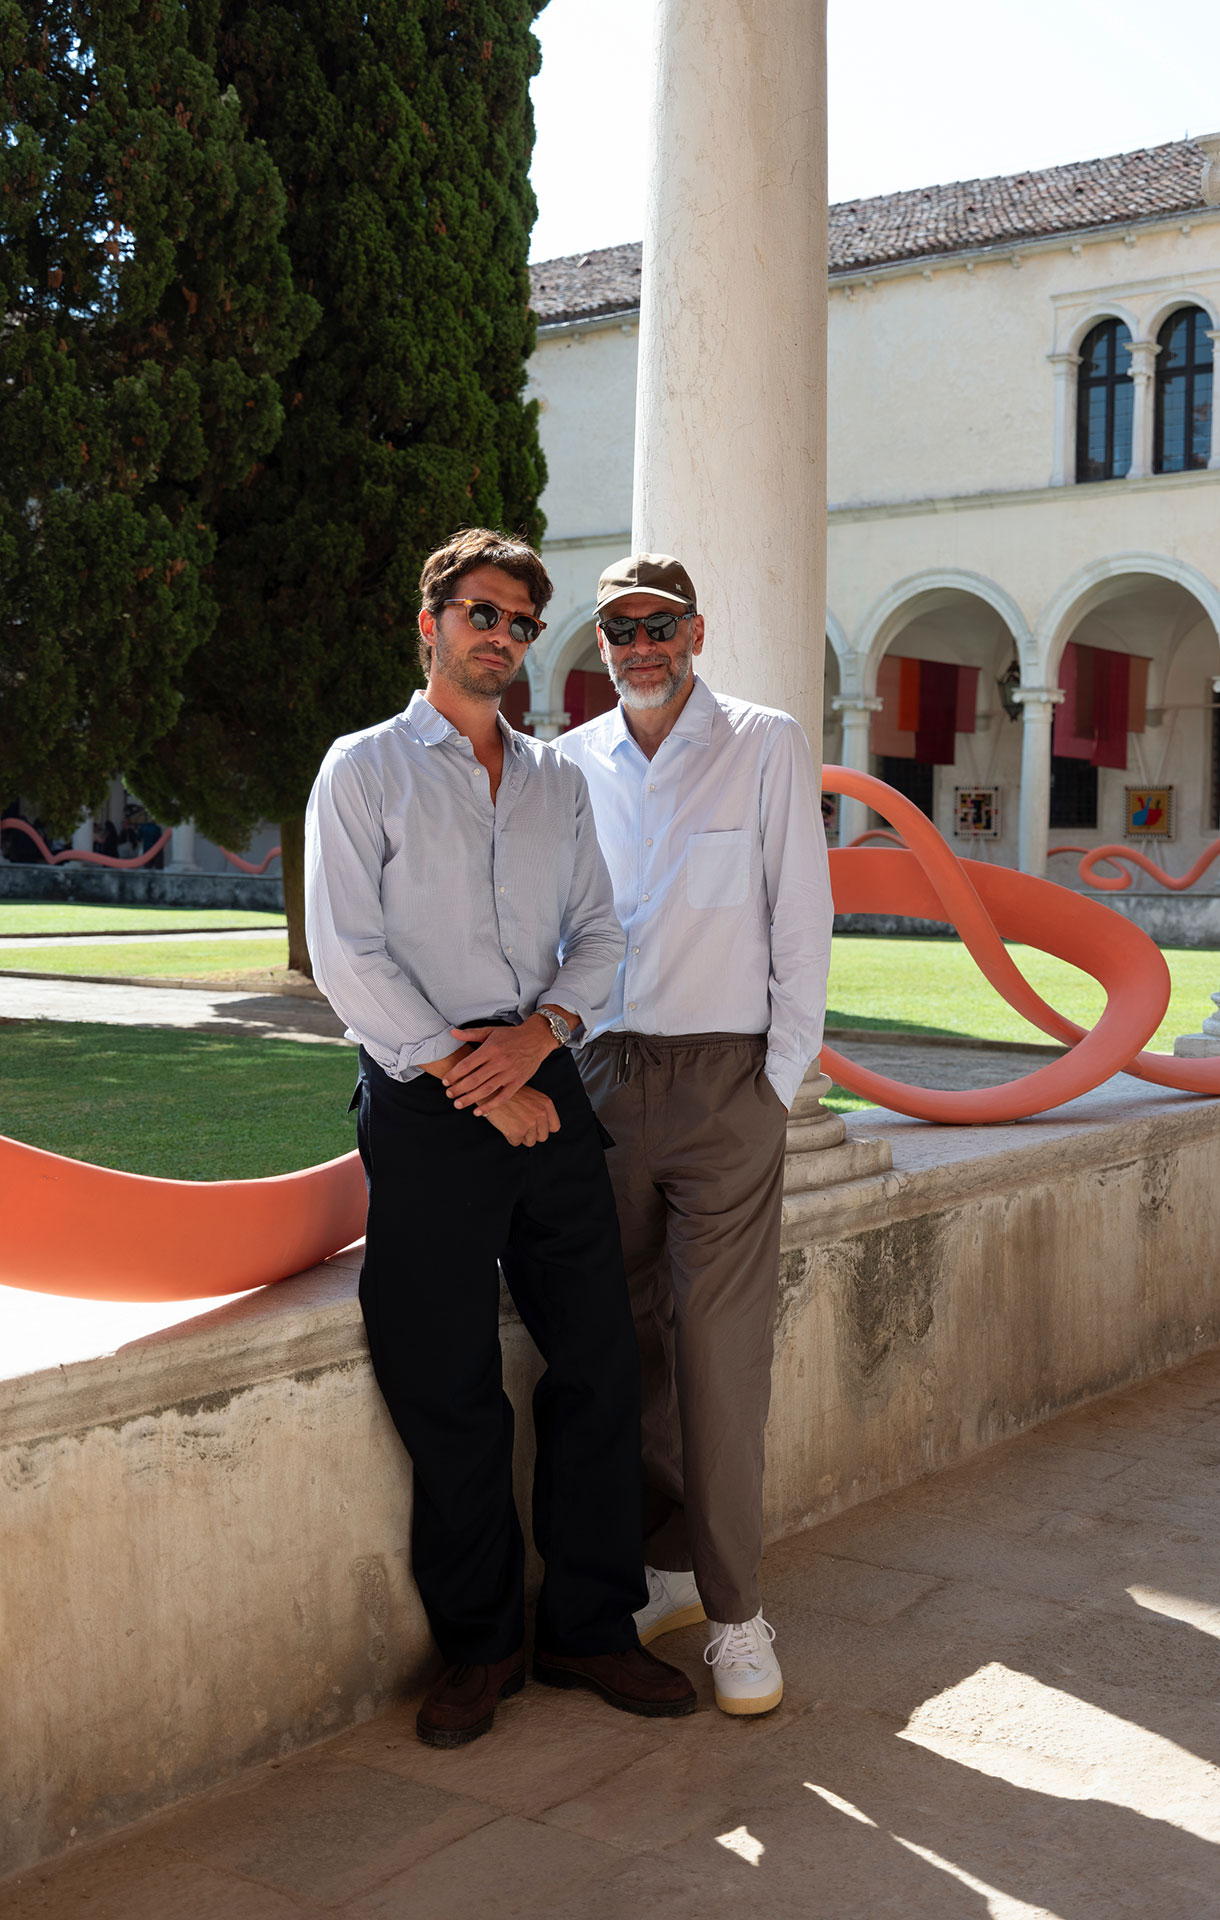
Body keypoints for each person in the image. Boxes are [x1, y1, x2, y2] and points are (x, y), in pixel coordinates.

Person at [304, 529, 696, 1747]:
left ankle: (588, 1627)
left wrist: (539, 1041)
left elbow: (600, 933)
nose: (502, 639)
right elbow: (345, 954)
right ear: (428, 622)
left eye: (522, 624)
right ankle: (482, 1648)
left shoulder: (553, 782)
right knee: (448, 1382)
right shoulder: (362, 768)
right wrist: (469, 1074)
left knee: (597, 1364)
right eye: (482, 614)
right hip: (422, 1099)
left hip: (540, 1073)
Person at [554, 552, 833, 1716]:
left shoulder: (763, 743)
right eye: (620, 629)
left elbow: (801, 913)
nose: (640, 645)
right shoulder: (568, 765)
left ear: (695, 630)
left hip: (727, 1085)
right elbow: (562, 923)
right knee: (623, 1349)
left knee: (719, 1361)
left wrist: (775, 1082)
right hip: (604, 1082)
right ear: (604, 646)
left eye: (659, 624)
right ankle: (657, 1567)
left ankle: (734, 1615)